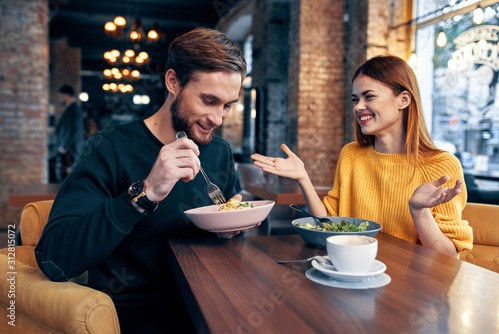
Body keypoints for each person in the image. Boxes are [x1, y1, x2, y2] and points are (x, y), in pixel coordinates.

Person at [35, 28, 247, 333]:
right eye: (209, 100)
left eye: (227, 105)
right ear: (173, 81)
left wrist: (232, 228)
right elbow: (54, 258)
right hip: (134, 315)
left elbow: (226, 241)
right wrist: (145, 193)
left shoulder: (220, 152)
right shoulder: (108, 148)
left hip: (212, 304)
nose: (217, 118)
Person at [251, 55, 473, 258]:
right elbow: (329, 224)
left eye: (369, 97)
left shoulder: (441, 166)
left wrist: (419, 211)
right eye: (355, 99)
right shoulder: (351, 155)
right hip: (350, 274)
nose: (359, 106)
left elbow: (449, 257)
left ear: (403, 100)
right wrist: (303, 178)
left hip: (409, 288)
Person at [50, 85, 84, 182]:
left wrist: (64, 146)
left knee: (68, 177)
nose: (60, 98)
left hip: (71, 149)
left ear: (65, 95)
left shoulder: (74, 109)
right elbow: (68, 127)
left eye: (61, 96)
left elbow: (75, 130)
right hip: (69, 147)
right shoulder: (72, 109)